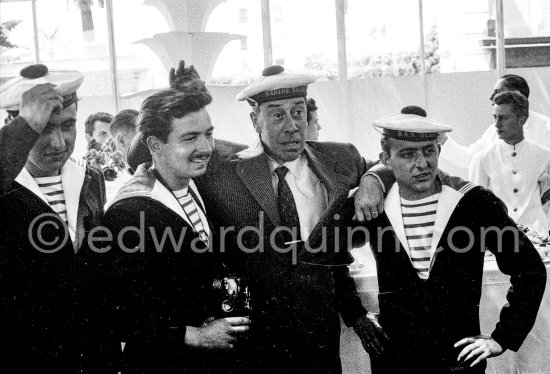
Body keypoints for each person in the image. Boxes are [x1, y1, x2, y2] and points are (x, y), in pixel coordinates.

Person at [347, 112, 547, 374]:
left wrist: (503, 338)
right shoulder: (372, 204)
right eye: (408, 154)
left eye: (429, 151)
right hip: (395, 360)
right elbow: (329, 258)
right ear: (385, 160)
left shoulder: (473, 201)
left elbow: (529, 268)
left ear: (439, 150)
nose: (422, 163)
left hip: (458, 360)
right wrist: (357, 317)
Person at [102, 86, 251, 373]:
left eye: (208, 134)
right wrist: (196, 336)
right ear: (155, 145)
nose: (206, 147)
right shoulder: (129, 213)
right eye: (190, 138)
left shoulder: (198, 184)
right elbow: (116, 311)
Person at [0, 64, 118, 372]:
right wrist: (25, 127)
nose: (58, 143)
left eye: (67, 125)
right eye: (41, 129)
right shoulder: (6, 188)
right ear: (15, 125)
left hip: (94, 355)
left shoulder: (90, 179)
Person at [469, 91, 550, 235]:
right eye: (495, 117)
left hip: (540, 237)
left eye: (504, 118)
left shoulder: (545, 156)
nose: (497, 124)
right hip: (498, 238)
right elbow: (475, 208)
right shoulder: (482, 159)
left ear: (522, 120)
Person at [441, 74, 550, 168]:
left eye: (497, 92)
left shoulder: (545, 127)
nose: (491, 97)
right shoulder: (494, 131)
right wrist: (441, 139)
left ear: (516, 94)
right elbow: (469, 159)